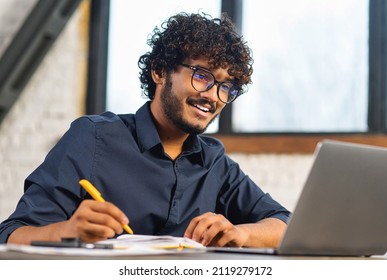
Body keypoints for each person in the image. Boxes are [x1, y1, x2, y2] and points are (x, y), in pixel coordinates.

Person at [0, 12, 290, 248]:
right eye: (202, 76)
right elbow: (11, 234)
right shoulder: (93, 138)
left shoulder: (214, 163)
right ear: (160, 71)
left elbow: (284, 223)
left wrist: (242, 234)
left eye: (226, 86)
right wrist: (68, 230)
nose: (214, 96)